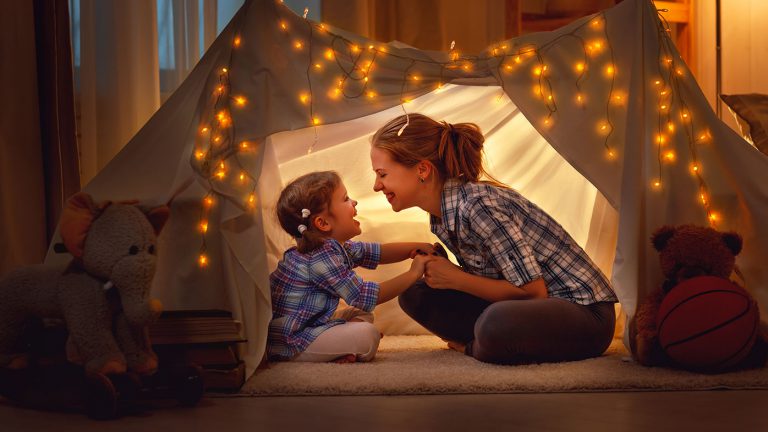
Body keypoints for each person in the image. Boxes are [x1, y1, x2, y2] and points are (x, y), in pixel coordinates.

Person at [370, 113, 618, 365]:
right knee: (414, 294)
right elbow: (497, 280)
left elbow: (533, 293)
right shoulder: (442, 216)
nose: (376, 186)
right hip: (528, 309)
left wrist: (457, 279)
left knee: (496, 323)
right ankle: (489, 343)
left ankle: (476, 347)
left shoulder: (478, 206)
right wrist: (447, 274)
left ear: (422, 169)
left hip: (584, 315)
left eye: (382, 174)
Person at [268, 171, 436, 363]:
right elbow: (364, 296)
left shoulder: (332, 248)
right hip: (292, 339)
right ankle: (346, 345)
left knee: (360, 315)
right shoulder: (319, 258)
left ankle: (343, 347)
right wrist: (414, 273)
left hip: (310, 323)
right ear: (322, 223)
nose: (354, 202)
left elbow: (378, 252)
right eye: (346, 198)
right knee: (368, 335)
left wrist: (415, 247)